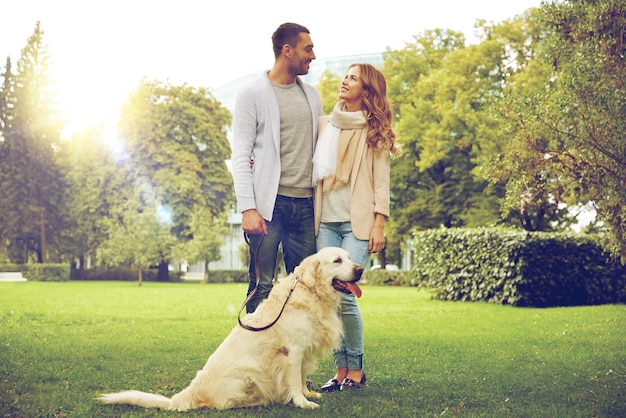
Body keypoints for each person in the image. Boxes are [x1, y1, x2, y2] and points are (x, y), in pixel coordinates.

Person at [312, 63, 401, 391]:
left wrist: (380, 224)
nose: (344, 81)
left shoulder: (375, 130)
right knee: (330, 299)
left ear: (367, 90)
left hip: (357, 224)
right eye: (345, 76)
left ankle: (357, 370)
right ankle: (339, 372)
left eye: (353, 78)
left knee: (346, 297)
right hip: (326, 222)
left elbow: (381, 183)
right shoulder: (325, 125)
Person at [231, 22, 324, 313]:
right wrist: (248, 208)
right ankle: (255, 354)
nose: (313, 55)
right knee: (262, 286)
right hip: (268, 208)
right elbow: (241, 154)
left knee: (306, 287)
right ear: (287, 51)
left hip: (306, 205)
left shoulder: (312, 96)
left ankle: (294, 355)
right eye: (307, 48)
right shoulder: (252, 94)